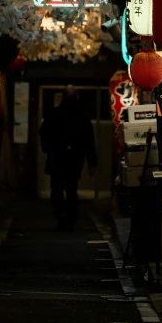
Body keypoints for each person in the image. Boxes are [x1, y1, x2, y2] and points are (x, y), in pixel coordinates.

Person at [39, 86, 97, 231]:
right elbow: (89, 140)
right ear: (77, 96)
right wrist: (92, 163)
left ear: (62, 96)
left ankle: (60, 213)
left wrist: (47, 149)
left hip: (57, 156)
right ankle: (70, 218)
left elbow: (43, 133)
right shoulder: (82, 115)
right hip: (75, 157)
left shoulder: (54, 113)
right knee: (72, 188)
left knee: (57, 187)